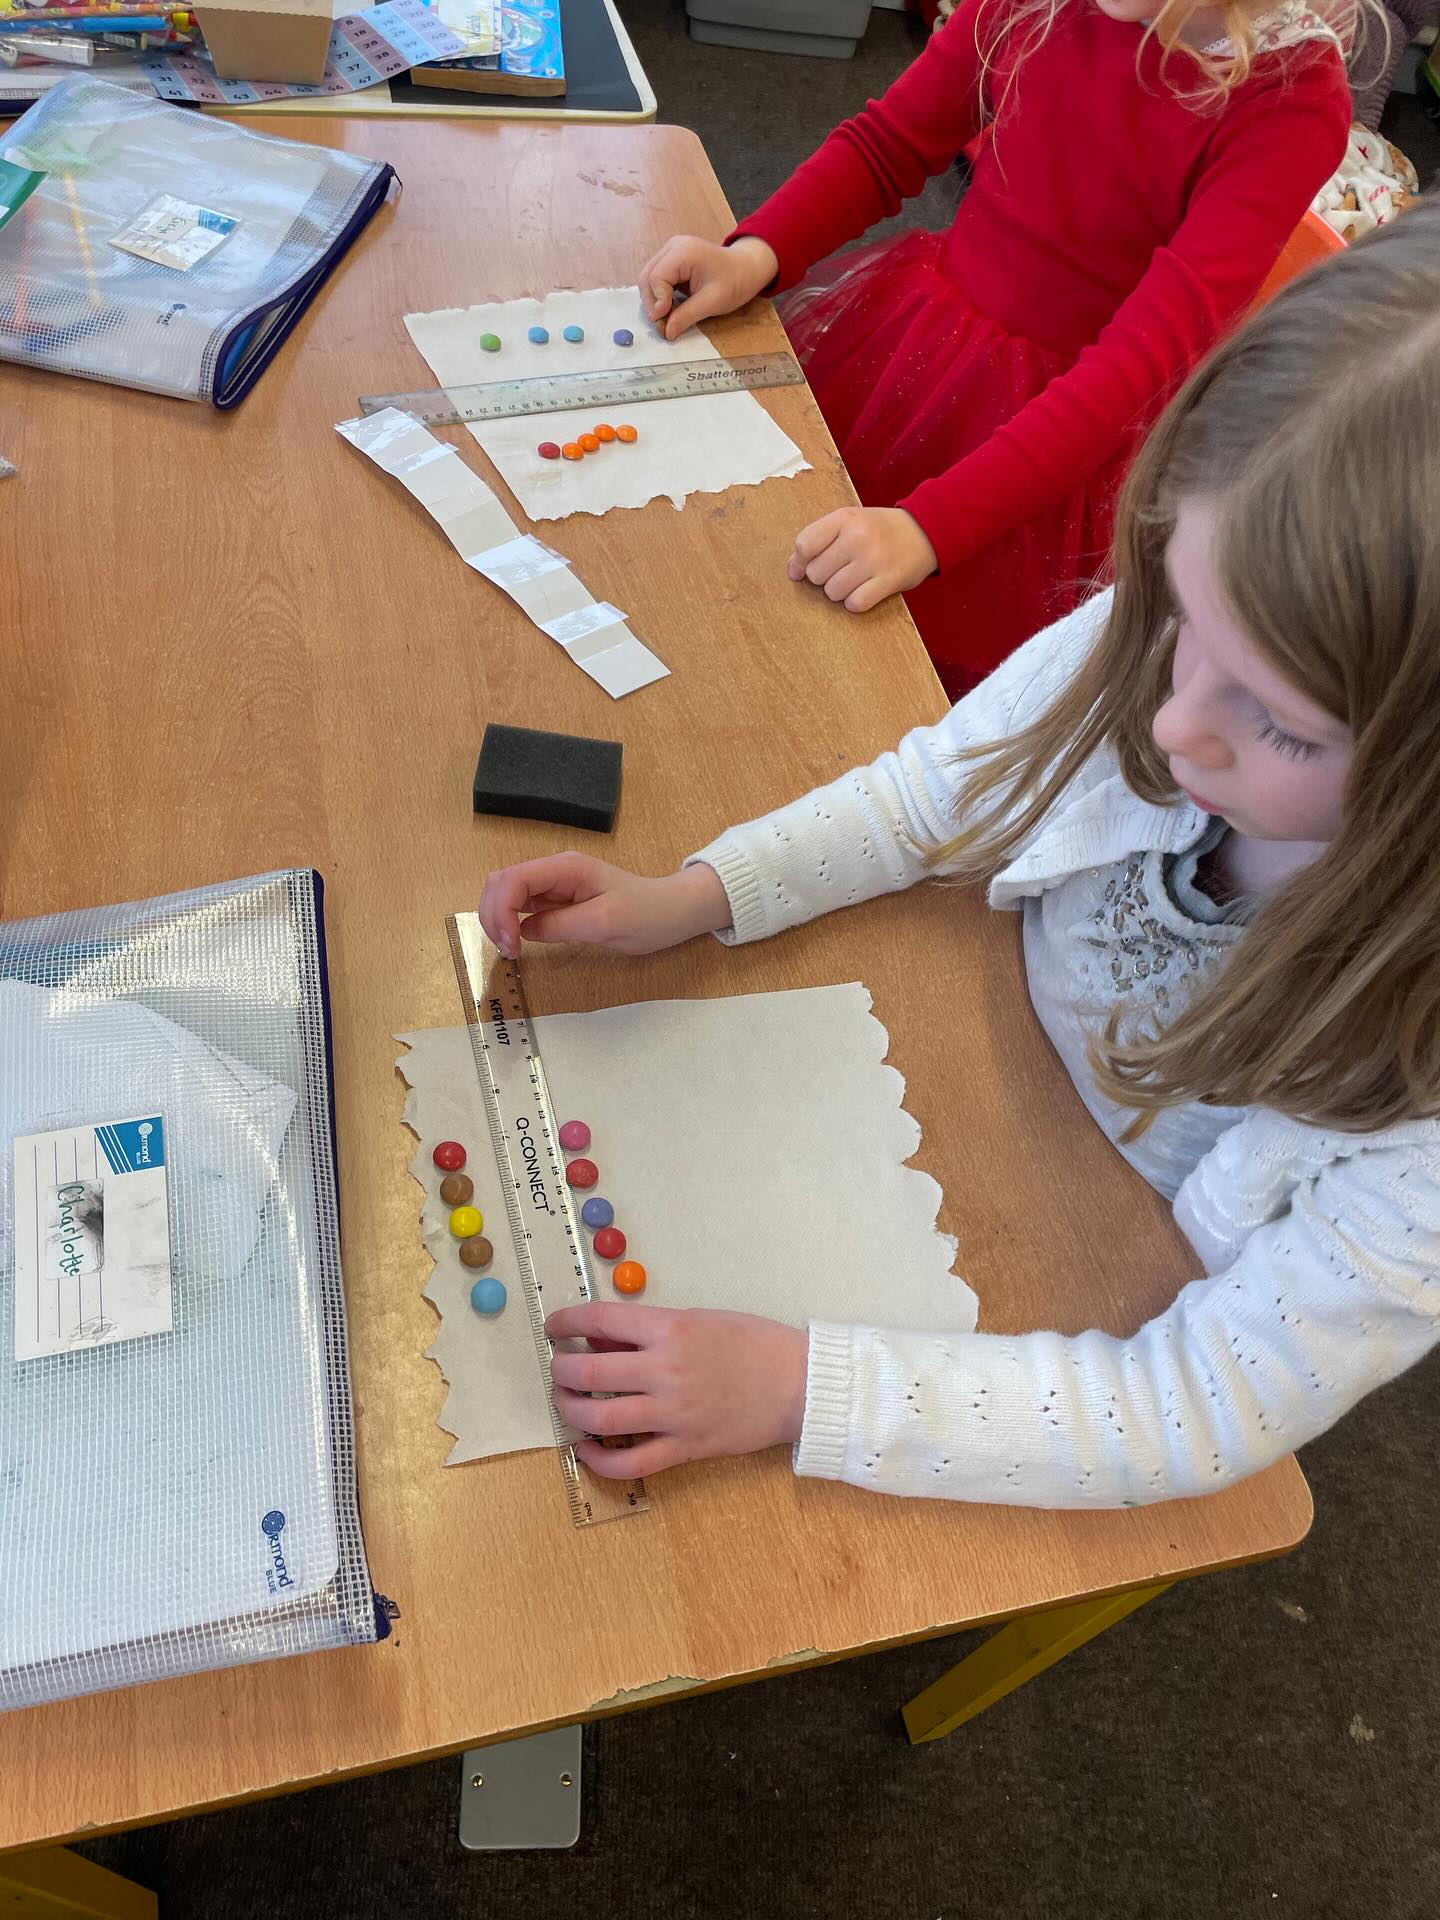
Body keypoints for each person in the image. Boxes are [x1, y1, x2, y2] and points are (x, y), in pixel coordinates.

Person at [479, 203, 1440, 1510]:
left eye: (1277, 724)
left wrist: (797, 1391)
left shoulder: (1413, 1120)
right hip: (961, 1055)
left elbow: (1194, 1405)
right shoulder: (1223, 627)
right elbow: (932, 794)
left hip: (1102, 1286)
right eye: (1168, 618)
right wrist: (694, 897)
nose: (1167, 723)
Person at [640, 0, 1353, 698]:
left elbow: (1138, 366)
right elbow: (886, 146)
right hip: (907, 352)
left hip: (1063, 451)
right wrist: (758, 253)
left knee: (902, 684)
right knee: (779, 567)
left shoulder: (1289, 95)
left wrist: (933, 528)